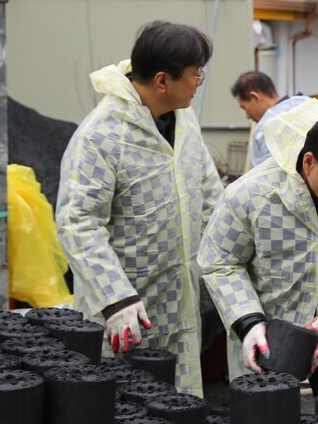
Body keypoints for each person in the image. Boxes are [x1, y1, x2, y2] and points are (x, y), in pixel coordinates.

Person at [56, 21, 225, 397]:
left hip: (180, 302)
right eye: (196, 76)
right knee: (127, 419)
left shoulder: (184, 121)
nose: (199, 83)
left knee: (180, 414)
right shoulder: (100, 136)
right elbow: (78, 223)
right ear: (163, 81)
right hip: (124, 313)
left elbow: (210, 196)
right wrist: (116, 298)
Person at [198, 101, 318, 393]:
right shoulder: (251, 196)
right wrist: (248, 323)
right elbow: (221, 262)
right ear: (309, 163)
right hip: (267, 349)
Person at [231, 70, 309, 169]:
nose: (247, 116)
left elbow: (261, 177)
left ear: (255, 97)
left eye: (244, 108)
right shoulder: (307, 104)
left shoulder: (265, 128)